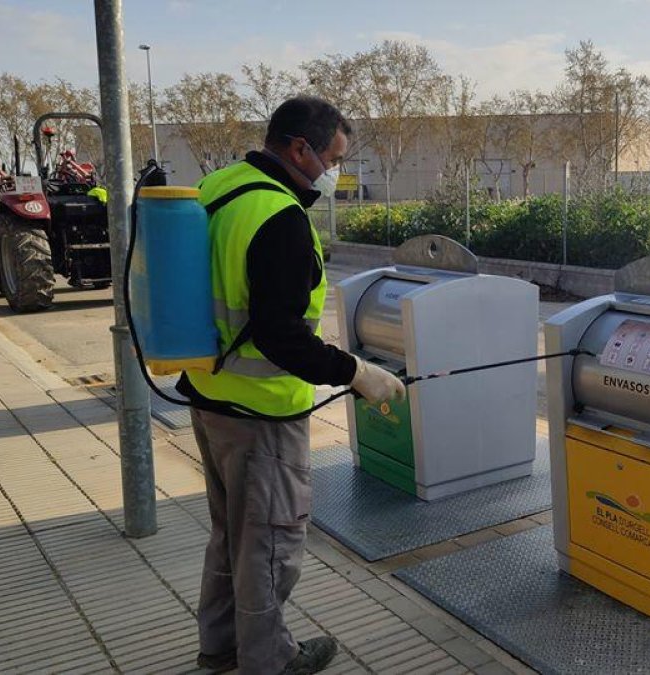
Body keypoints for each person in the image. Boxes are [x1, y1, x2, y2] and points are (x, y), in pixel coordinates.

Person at [178, 96, 405, 674]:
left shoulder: (219, 187)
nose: (334, 172)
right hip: (262, 415)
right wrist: (358, 374)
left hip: (210, 396)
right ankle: (270, 662)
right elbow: (282, 337)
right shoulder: (278, 216)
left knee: (231, 536)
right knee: (271, 544)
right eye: (332, 158)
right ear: (299, 149)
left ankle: (221, 647)